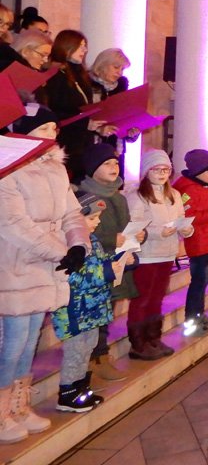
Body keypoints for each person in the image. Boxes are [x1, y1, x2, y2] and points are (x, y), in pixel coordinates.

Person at [0, 105, 89, 442]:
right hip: (15, 263)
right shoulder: (7, 168)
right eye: (44, 128)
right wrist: (60, 252)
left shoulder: (56, 168)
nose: (52, 134)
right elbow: (13, 223)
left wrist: (78, 244)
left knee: (29, 341)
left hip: (45, 264)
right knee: (12, 343)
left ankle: (18, 406)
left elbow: (71, 213)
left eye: (54, 128)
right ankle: (0, 413)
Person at [53, 193, 134, 412]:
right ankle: (68, 394)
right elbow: (73, 276)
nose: (97, 222)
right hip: (75, 310)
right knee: (75, 352)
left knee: (87, 348)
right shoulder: (67, 244)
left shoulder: (93, 240)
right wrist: (107, 270)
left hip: (93, 308)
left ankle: (82, 388)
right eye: (91, 218)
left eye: (98, 217)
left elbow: (101, 262)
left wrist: (119, 261)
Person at [75, 143, 142, 382]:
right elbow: (80, 230)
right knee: (97, 313)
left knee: (108, 310)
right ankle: (97, 358)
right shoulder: (84, 196)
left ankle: (100, 354)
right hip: (95, 265)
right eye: (106, 163)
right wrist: (111, 239)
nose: (114, 167)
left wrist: (136, 235)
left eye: (115, 162)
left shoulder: (118, 196)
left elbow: (125, 226)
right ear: (93, 168)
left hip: (117, 261)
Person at [125, 150, 191, 360]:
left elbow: (181, 216)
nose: (162, 174)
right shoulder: (137, 196)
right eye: (157, 169)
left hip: (167, 253)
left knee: (157, 298)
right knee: (142, 298)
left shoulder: (174, 195)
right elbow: (134, 226)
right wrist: (158, 232)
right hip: (146, 255)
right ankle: (138, 344)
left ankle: (153, 338)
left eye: (166, 170)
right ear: (146, 171)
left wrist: (186, 228)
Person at [41, 30, 112, 179]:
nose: (85, 50)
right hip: (66, 142)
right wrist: (85, 123)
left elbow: (84, 108)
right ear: (67, 46)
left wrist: (97, 126)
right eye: (80, 46)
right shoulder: (55, 75)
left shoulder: (80, 75)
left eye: (85, 46)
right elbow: (53, 111)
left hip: (83, 142)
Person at [174, 149, 208, 334]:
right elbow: (188, 216)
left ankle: (199, 316)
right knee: (198, 283)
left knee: (203, 281)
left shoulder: (203, 186)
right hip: (198, 242)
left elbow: (206, 209)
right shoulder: (188, 189)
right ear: (198, 170)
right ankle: (192, 321)